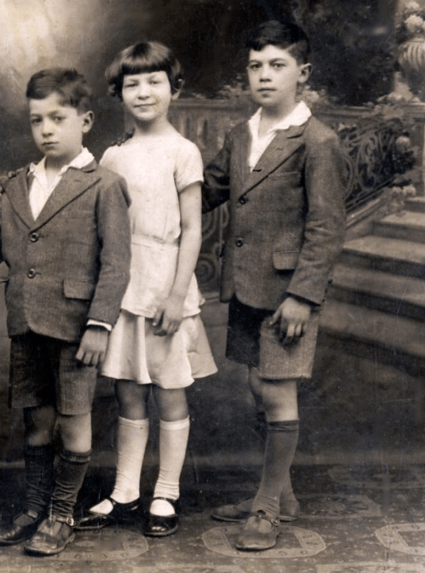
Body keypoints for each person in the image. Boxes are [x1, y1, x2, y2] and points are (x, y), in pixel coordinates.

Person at [0, 67, 131, 556]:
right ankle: (35, 506)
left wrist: (100, 324)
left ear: (86, 120)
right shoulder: (17, 184)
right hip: (27, 325)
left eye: (58, 117)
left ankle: (61, 513)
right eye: (37, 120)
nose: (47, 130)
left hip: (78, 328)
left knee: (74, 421)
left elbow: (117, 264)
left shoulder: (104, 185)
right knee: (37, 422)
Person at [202, 20, 346, 551]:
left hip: (288, 294)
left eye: (277, 65)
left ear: (302, 74)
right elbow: (209, 189)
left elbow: (327, 226)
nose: (264, 76)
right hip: (246, 286)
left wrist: (303, 296)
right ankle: (278, 492)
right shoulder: (243, 134)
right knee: (257, 388)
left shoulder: (318, 142)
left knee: (279, 393)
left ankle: (266, 510)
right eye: (256, 65)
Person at [75, 41, 217, 538]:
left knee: (170, 393)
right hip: (124, 282)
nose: (144, 92)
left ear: (174, 89)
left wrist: (177, 295)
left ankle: (167, 493)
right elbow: (103, 229)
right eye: (132, 83)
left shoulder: (184, 151)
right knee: (129, 392)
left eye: (155, 81)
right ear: (118, 93)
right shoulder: (113, 156)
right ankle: (126, 491)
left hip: (165, 281)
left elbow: (193, 229)